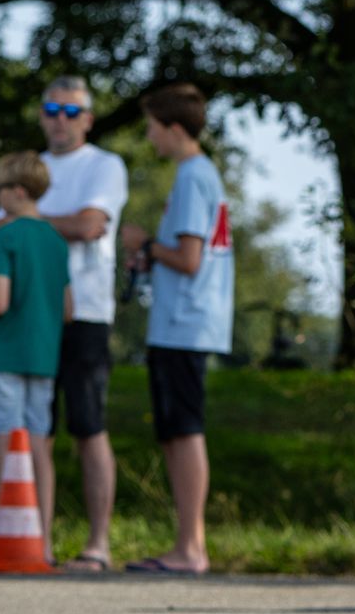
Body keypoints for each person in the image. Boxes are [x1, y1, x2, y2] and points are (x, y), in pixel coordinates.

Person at [120, 83, 233, 575]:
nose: (149, 138)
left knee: (184, 432)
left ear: (174, 129)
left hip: (184, 323)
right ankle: (188, 543)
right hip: (187, 320)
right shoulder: (203, 175)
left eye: (152, 128)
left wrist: (146, 244)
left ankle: (191, 547)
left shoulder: (192, 177)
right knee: (174, 431)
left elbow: (188, 258)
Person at [33, 77, 129, 570]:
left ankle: (98, 544)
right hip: (35, 312)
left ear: (88, 119)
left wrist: (29, 220)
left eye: (71, 111)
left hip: (86, 311)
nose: (60, 119)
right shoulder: (33, 169)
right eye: (52, 109)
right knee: (37, 429)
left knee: (89, 426)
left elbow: (92, 225)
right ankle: (38, 543)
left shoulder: (105, 165)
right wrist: (53, 221)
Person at [0, 152, 72, 563]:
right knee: (40, 446)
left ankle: (8, 535)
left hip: (6, 354)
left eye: (1, 190)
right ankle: (41, 542)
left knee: (9, 443)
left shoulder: (5, 236)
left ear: (19, 192)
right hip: (44, 357)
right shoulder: (55, 241)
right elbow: (68, 309)